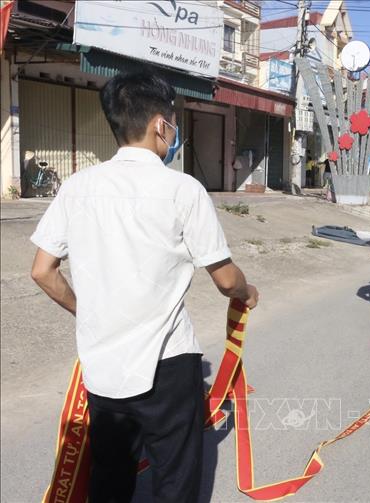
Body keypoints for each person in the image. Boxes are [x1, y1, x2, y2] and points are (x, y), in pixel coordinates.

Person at [29, 72, 259, 503]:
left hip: (104, 361)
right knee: (175, 475)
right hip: (167, 365)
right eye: (172, 122)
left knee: (111, 473)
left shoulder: (78, 186)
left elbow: (42, 270)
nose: (173, 132)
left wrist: (87, 309)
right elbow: (226, 279)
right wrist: (247, 292)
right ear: (160, 125)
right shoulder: (182, 190)